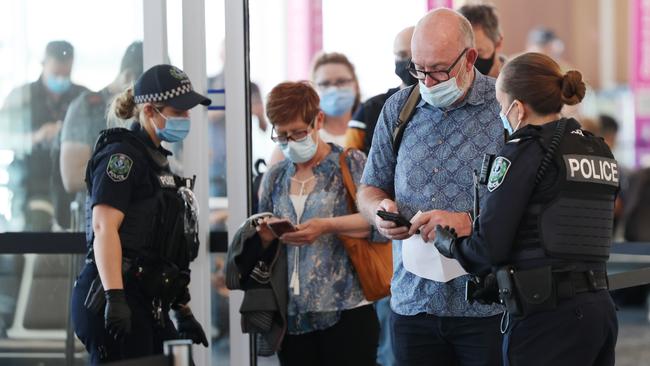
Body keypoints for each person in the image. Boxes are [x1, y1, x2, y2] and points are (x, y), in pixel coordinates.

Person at [433, 52, 619, 366]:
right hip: (600, 311)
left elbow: (489, 247)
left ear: (518, 108)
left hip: (548, 319)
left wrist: (452, 245)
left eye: (501, 104)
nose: (501, 113)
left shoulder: (523, 152)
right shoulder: (597, 148)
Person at [358, 8, 505, 366]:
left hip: (485, 305)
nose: (429, 81)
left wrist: (470, 221)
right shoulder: (399, 108)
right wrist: (381, 213)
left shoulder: (503, 106)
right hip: (413, 303)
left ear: (470, 58)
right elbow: (369, 188)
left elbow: (533, 196)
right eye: (418, 69)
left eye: (439, 69)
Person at [70, 64, 211, 364]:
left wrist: (182, 310)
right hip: (113, 295)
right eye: (178, 112)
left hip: (144, 297)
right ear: (150, 111)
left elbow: (162, 248)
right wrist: (114, 297)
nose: (186, 118)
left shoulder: (157, 161)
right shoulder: (121, 157)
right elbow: (104, 227)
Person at [253, 81, 379, 365]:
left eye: (298, 132)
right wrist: (266, 234)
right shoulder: (276, 176)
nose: (291, 142)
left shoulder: (350, 163)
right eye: (282, 136)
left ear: (318, 119)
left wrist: (326, 225)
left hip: (348, 308)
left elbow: (376, 223)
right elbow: (264, 236)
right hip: (294, 313)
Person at [1, 40, 88, 230]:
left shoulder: (83, 98)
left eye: (66, 74)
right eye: (55, 74)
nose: (61, 79)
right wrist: (36, 137)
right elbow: (3, 137)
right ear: (43, 64)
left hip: (72, 190)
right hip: (31, 188)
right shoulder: (21, 97)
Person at [59, 41, 144, 231]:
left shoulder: (151, 111)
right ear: (128, 76)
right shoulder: (87, 108)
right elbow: (71, 177)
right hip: (98, 226)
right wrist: (132, 170)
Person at [269, 52, 361, 165]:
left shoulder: (372, 129)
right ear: (314, 91)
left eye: (341, 81)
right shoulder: (298, 137)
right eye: (325, 84)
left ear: (355, 85)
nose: (334, 89)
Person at [345, 26, 416, 155]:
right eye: (402, 55)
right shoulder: (370, 109)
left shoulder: (443, 102)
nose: (409, 61)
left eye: (416, 54)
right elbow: (349, 163)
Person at [458, 4, 506, 78]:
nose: (469, 63)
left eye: (478, 53)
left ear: (498, 43)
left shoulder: (516, 84)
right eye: (463, 55)